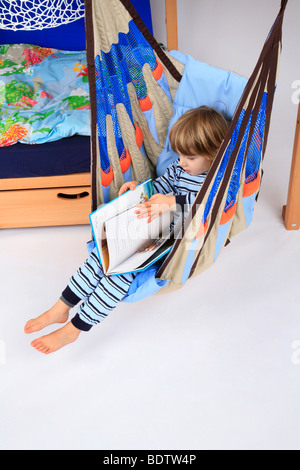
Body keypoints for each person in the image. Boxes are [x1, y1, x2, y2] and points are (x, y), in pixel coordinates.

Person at [24, 106, 228, 354]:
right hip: (149, 227)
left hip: (170, 242)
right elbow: (162, 185)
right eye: (180, 156)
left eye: (191, 158)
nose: (182, 163)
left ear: (214, 153)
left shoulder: (216, 180)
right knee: (101, 258)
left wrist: (172, 203)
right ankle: (62, 306)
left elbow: (207, 210)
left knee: (119, 274)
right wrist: (140, 189)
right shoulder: (180, 166)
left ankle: (75, 329)